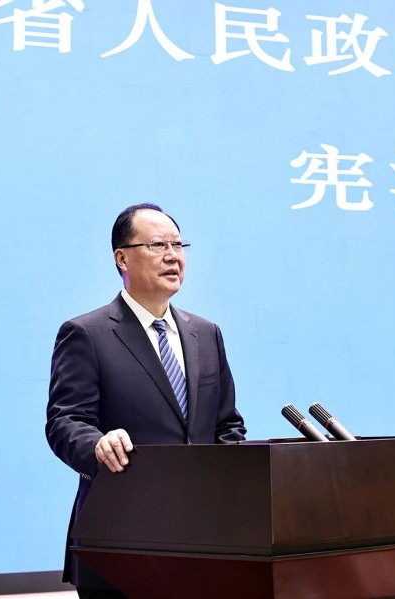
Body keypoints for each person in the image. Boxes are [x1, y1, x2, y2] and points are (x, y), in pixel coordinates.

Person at [46, 203, 247, 598]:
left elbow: (227, 424)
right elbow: (65, 421)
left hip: (204, 541)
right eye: (157, 245)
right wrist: (98, 445)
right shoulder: (87, 333)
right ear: (122, 258)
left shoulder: (206, 333)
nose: (173, 256)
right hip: (120, 537)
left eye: (178, 245)